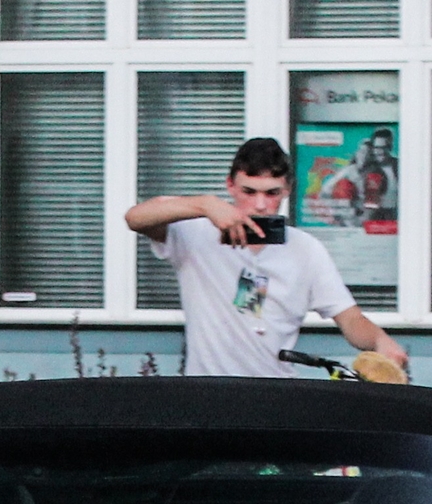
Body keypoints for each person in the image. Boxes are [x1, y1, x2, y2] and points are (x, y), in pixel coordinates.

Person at [125, 136, 411, 381]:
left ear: (286, 190)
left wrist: (379, 341)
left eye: (272, 193)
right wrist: (205, 205)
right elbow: (135, 218)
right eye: (249, 192)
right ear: (231, 186)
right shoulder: (196, 234)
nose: (260, 204)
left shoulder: (306, 250)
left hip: (276, 394)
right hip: (208, 393)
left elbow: (350, 318)